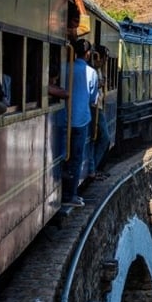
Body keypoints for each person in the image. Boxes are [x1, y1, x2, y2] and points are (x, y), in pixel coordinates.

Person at [61, 38, 95, 208]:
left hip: (62, 118)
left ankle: (60, 191)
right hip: (81, 120)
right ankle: (71, 194)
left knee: (63, 157)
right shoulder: (91, 73)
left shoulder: (64, 68)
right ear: (88, 54)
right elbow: (93, 99)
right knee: (76, 158)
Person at [87, 45, 111, 181]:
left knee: (99, 139)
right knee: (104, 138)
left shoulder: (99, 70)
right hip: (95, 107)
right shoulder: (93, 71)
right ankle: (94, 169)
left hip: (99, 107)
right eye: (104, 59)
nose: (105, 62)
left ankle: (94, 168)